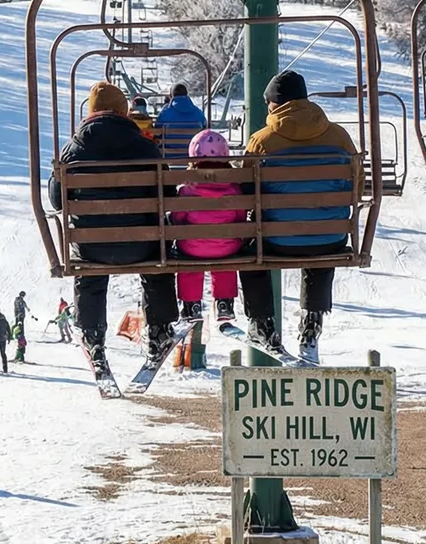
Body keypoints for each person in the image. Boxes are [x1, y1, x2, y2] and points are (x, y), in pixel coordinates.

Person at [47, 81, 181, 377]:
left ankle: (93, 337)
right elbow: (169, 194)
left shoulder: (72, 150)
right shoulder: (146, 147)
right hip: (142, 245)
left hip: (92, 247)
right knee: (157, 260)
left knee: (89, 268)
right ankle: (159, 330)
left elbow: (57, 200)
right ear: (124, 112)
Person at [237, 70, 362, 360]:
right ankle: (311, 327)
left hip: (277, 241)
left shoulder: (261, 141)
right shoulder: (339, 136)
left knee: (248, 250)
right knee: (321, 237)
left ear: (275, 104)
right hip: (330, 238)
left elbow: (244, 193)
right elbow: (357, 186)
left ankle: (262, 323)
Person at [169, 129, 243, 321]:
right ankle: (224, 303)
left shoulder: (187, 190)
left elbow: (177, 218)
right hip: (227, 246)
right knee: (224, 253)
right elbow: (241, 217)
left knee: (189, 253)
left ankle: (191, 304)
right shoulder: (233, 189)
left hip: (193, 248)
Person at [153, 82, 208, 159]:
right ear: (186, 94)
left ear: (171, 96)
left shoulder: (165, 113)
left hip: (168, 155)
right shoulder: (198, 113)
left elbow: (157, 133)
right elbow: (205, 132)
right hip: (193, 154)